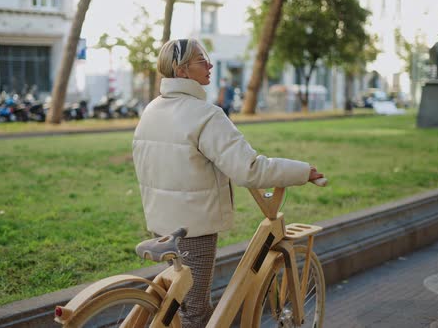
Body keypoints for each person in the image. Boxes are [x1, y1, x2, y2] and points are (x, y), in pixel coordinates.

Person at [132, 38, 324, 328]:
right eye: (201, 59)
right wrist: (302, 171)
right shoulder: (205, 115)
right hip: (193, 230)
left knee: (175, 307)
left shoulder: (152, 110)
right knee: (195, 315)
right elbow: (249, 170)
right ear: (182, 70)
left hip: (161, 223)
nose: (209, 64)